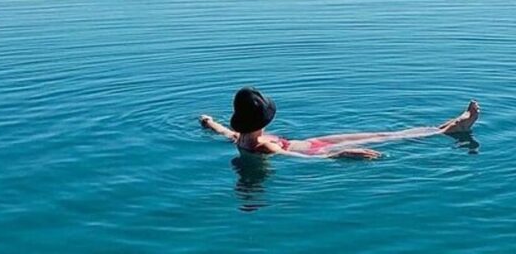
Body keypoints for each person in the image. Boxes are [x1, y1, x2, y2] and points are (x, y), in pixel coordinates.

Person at [200, 87, 479, 160]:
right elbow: (297, 157)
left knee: (383, 134)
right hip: (313, 149)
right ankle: (451, 129)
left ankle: (445, 127)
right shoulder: (263, 147)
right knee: (388, 136)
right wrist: (340, 155)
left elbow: (224, 131)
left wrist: (209, 122)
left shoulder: (240, 139)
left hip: (313, 141)